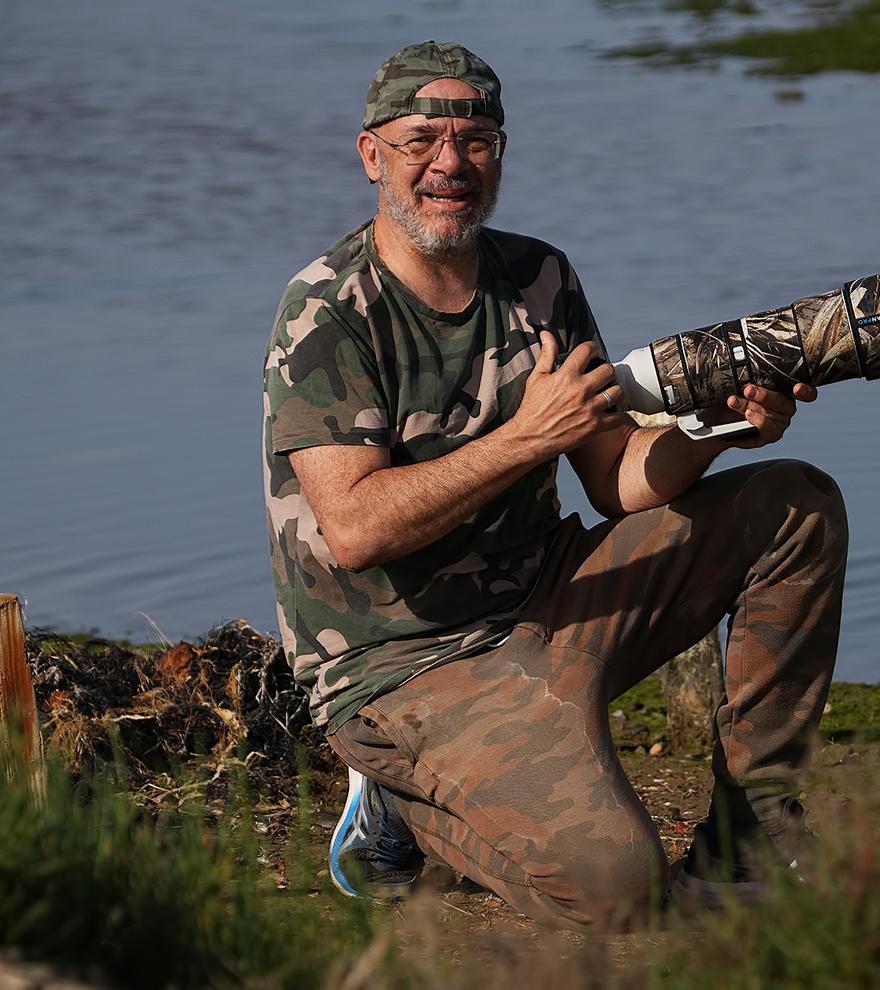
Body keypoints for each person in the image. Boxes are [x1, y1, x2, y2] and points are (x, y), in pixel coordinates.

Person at [262, 41, 848, 928]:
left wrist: (716, 427)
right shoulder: (328, 312)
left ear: (500, 152)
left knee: (794, 504)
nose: (450, 165)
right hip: (406, 662)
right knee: (612, 891)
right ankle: (400, 804)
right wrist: (523, 437)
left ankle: (750, 839)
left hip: (549, 594)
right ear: (371, 154)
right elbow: (353, 528)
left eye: (477, 140)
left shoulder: (539, 276)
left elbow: (615, 477)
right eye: (422, 139)